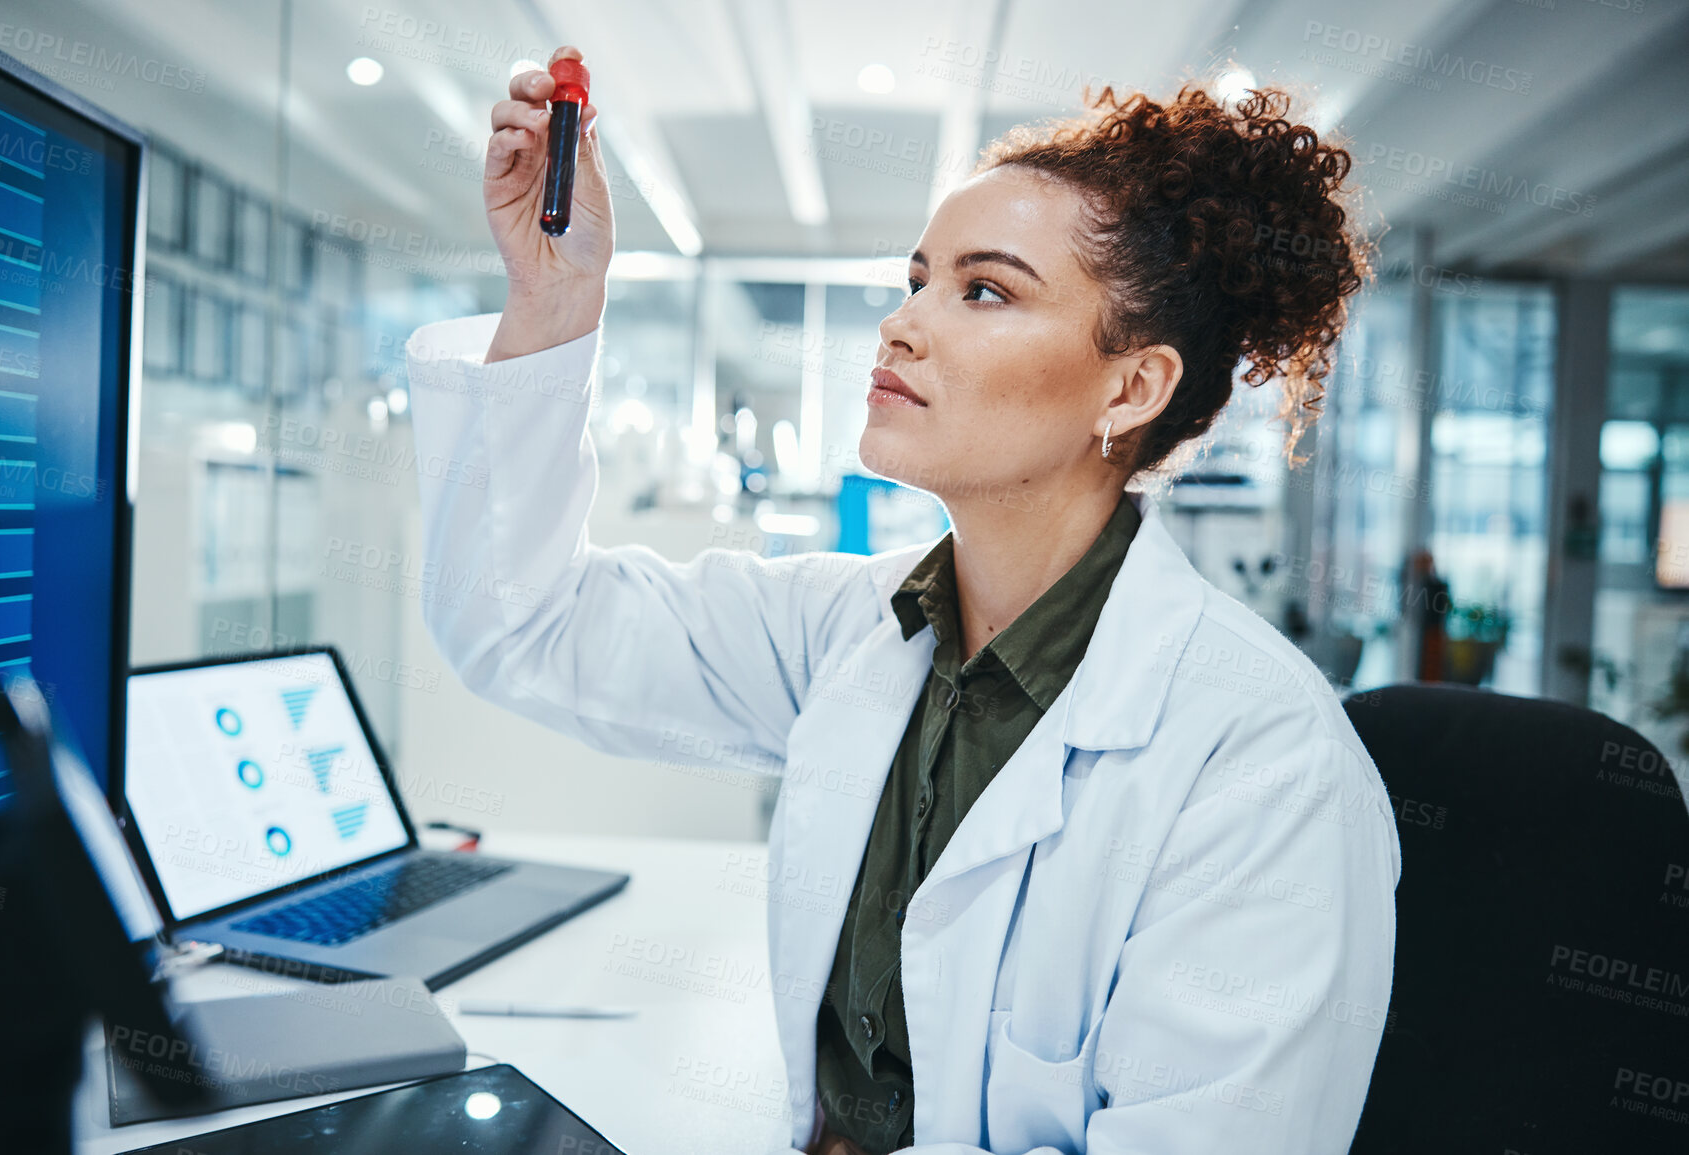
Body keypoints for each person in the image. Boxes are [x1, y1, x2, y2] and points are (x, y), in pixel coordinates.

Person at [405, 45, 1400, 1155]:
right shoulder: (855, 632)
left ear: (1132, 387)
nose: (904, 323)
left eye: (984, 290)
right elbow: (522, 623)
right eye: (916, 280)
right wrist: (554, 296)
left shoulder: (1263, 764)